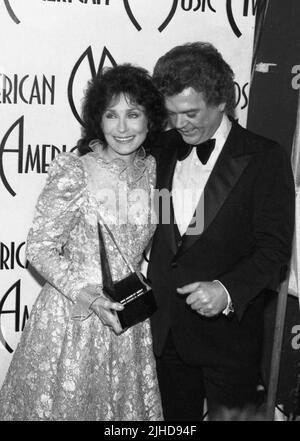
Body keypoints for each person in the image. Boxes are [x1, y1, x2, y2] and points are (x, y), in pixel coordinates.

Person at [0, 64, 167, 421]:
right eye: (111, 115)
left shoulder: (155, 170)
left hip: (129, 317)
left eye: (133, 114)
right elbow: (40, 248)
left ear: (150, 120)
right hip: (74, 318)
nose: (122, 128)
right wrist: (89, 296)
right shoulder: (75, 171)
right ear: (98, 120)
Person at [147, 42, 295, 420]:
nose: (180, 124)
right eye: (172, 114)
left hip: (230, 338)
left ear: (221, 102)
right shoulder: (162, 147)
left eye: (191, 113)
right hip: (168, 334)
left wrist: (225, 290)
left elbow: (274, 250)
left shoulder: (264, 157)